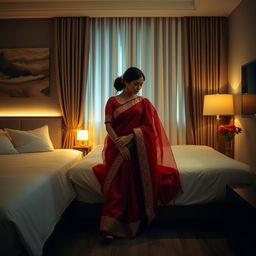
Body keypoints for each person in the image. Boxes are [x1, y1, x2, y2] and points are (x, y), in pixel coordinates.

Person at [93, 67, 183, 242]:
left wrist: (130, 137)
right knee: (117, 185)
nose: (139, 87)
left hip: (138, 148)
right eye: (136, 84)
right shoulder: (112, 101)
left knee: (134, 179)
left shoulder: (144, 102)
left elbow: (149, 128)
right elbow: (108, 125)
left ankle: (136, 220)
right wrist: (120, 144)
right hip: (116, 146)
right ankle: (109, 227)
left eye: (141, 84)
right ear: (125, 82)